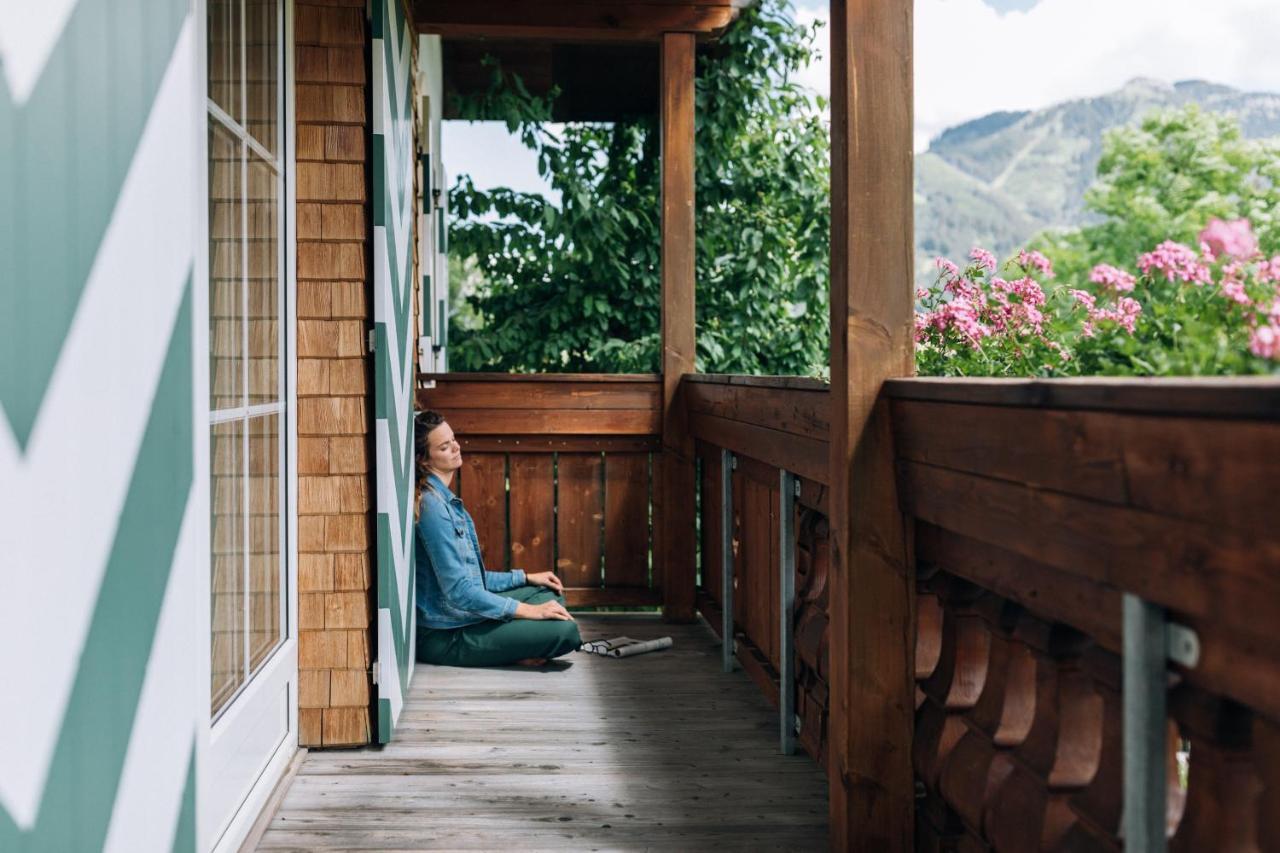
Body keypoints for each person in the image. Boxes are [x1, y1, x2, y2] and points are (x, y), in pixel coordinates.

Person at [413, 410, 581, 667]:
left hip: (466, 616)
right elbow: (460, 591)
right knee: (565, 633)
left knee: (547, 590)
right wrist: (531, 612)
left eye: (454, 440)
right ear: (424, 461)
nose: (456, 448)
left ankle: (514, 642)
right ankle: (514, 646)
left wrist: (524, 577)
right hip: (445, 635)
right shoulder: (432, 509)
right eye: (445, 447)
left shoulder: (445, 501)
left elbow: (474, 580)